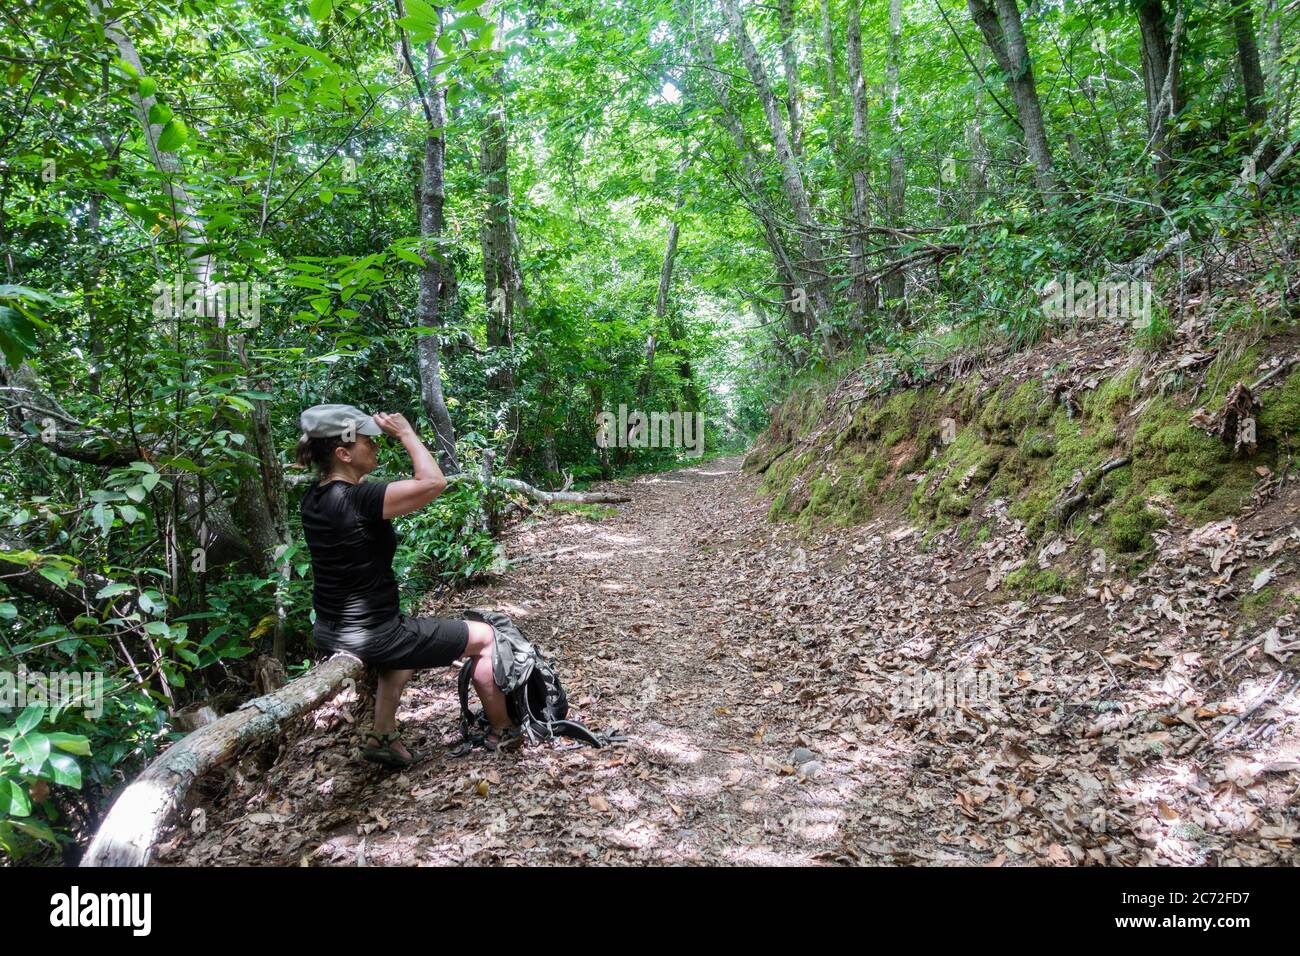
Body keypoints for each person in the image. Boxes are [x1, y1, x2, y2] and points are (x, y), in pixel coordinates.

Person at [296, 403, 518, 766]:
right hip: (374, 634)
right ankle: (503, 730)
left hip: (330, 630)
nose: (376, 446)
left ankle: (382, 734)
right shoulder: (359, 499)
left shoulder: (315, 498)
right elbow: (433, 482)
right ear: (343, 453)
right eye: (368, 441)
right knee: (487, 638)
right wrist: (406, 434)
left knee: (405, 644)